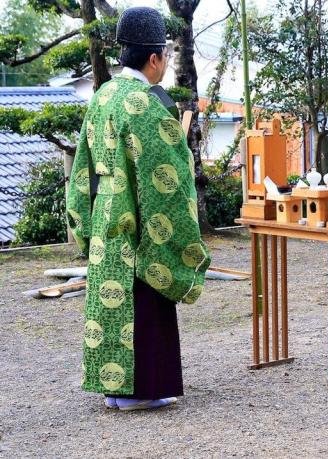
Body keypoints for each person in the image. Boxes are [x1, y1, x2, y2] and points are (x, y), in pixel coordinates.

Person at [66, 7, 211, 411]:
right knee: (142, 296)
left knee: (110, 302)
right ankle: (140, 391)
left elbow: (82, 168)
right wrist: (176, 235)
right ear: (153, 58)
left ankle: (114, 391)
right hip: (138, 220)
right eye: (164, 56)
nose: (164, 64)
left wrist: (84, 220)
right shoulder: (146, 105)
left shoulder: (104, 95)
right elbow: (167, 177)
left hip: (105, 213)